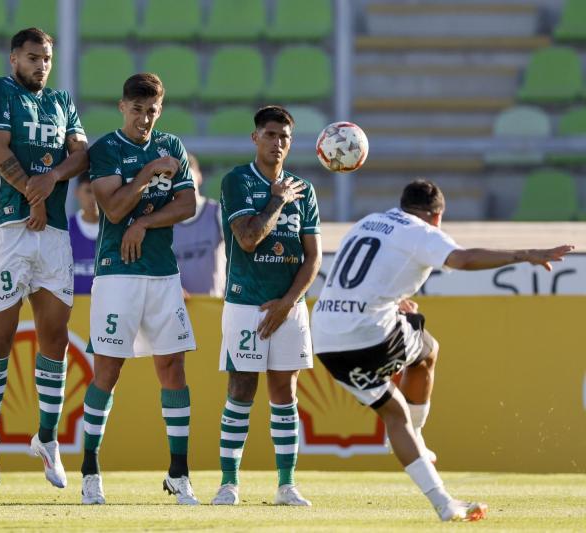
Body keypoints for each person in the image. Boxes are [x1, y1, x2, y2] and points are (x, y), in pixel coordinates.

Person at [311, 179, 574, 522]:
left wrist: (393, 299)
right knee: (429, 349)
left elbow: (359, 277)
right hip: (368, 334)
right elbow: (463, 259)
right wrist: (524, 255)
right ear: (437, 217)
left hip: (327, 339)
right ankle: (417, 437)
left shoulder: (366, 222)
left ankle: (444, 504)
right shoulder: (422, 232)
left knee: (393, 413)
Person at [0, 28, 89, 491]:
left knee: (55, 336)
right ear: (14, 58)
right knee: (0, 331)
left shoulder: (61, 101)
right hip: (9, 229)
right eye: (33, 57)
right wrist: (33, 194)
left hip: (54, 234)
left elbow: (81, 154)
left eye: (46, 58)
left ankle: (46, 438)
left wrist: (51, 179)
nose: (41, 65)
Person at [80, 73, 198, 505]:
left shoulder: (173, 147)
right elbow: (111, 209)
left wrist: (146, 221)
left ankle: (179, 473)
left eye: (152, 111)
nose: (144, 119)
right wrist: (148, 173)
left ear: (160, 109)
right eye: (137, 110)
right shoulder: (107, 149)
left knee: (172, 370)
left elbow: (188, 204)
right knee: (108, 372)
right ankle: (90, 470)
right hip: (117, 273)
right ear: (122, 107)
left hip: (163, 273)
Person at [211, 106, 321, 507]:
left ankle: (287, 485)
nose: (277, 143)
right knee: (241, 390)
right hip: (246, 303)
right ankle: (228, 484)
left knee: (285, 392)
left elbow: (313, 258)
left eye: (284, 137)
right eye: (270, 135)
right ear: (255, 138)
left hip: (288, 307)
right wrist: (275, 201)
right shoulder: (237, 181)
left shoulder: (305, 190)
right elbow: (247, 240)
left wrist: (288, 303)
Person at [173, 153, 226, 297]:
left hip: (213, 311)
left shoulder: (218, 213)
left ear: (199, 176)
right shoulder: (162, 223)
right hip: (177, 312)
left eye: (188, 178)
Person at [69, 172, 99, 294]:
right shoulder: (66, 230)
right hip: (74, 310)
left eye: (98, 191)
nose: (93, 197)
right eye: (88, 191)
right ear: (77, 192)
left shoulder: (115, 231)